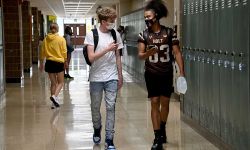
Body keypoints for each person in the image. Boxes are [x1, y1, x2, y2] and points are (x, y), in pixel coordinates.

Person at [137, 0, 185, 149]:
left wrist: (181, 72)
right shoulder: (143, 34)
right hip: (151, 74)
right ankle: (157, 136)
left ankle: (162, 126)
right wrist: (148, 53)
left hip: (166, 73)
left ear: (156, 16)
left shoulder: (169, 32)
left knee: (165, 103)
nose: (147, 19)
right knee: (154, 102)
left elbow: (177, 52)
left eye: (149, 16)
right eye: (145, 17)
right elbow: (140, 55)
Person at [84, 6, 123, 150]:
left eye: (114, 19)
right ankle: (97, 127)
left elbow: (118, 56)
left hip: (111, 76)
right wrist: (107, 49)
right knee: (95, 107)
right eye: (111, 20)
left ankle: (109, 138)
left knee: (111, 107)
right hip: (95, 77)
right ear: (103, 20)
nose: (113, 22)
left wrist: (120, 75)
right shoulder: (91, 34)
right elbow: (91, 57)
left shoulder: (115, 34)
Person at [39, 23, 67, 109]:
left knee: (53, 83)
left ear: (50, 29)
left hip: (49, 63)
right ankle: (54, 97)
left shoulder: (45, 40)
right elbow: (64, 51)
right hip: (58, 62)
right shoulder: (61, 39)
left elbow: (42, 52)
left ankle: (53, 103)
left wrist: (41, 63)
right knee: (61, 82)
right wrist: (65, 61)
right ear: (57, 29)